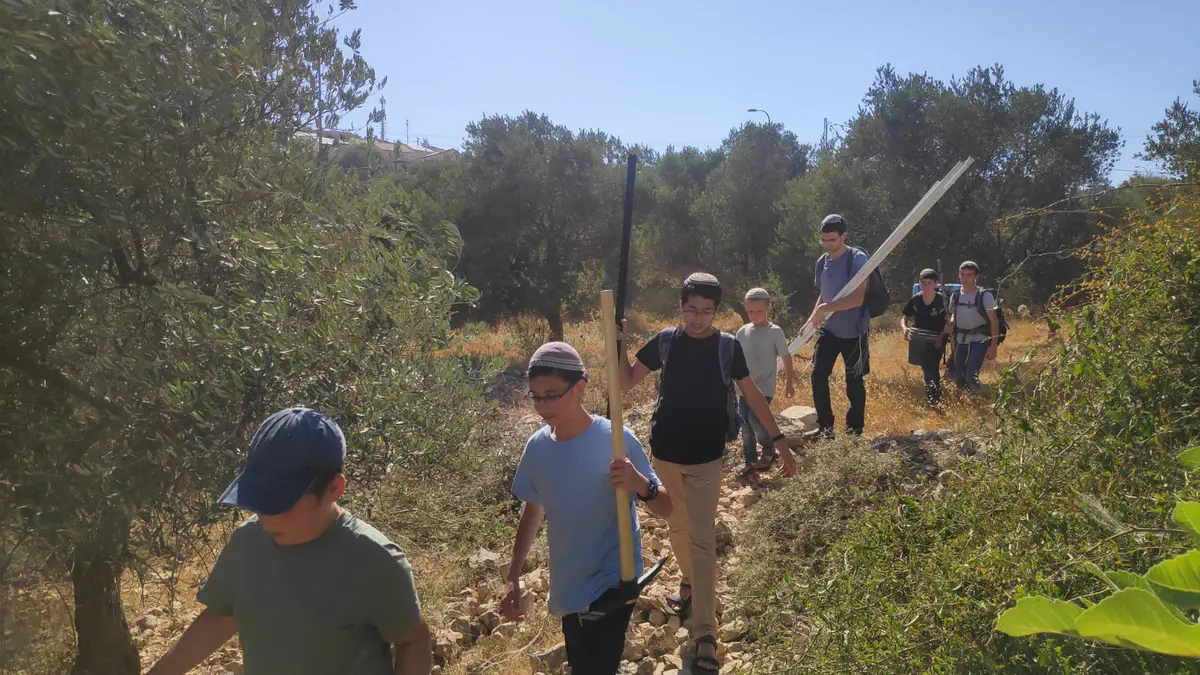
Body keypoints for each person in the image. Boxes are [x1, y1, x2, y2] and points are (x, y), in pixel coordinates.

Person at [147, 407, 432, 675]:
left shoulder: (375, 560)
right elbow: (220, 619)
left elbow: (413, 640)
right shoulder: (247, 543)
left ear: (334, 488)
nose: (267, 520)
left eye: (282, 504)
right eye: (259, 501)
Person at [618, 272, 796, 675]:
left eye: (707, 312)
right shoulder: (666, 341)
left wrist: (780, 440)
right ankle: (689, 582)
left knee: (701, 538)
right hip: (665, 455)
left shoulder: (727, 347)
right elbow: (626, 381)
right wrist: (620, 342)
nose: (698, 319)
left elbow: (752, 395)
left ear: (716, 312)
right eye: (692, 310)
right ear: (680, 307)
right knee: (676, 525)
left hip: (706, 459)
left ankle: (705, 635)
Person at [500, 342, 673, 675]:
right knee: (581, 661)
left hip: (614, 579)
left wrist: (640, 483)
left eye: (552, 395)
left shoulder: (615, 439)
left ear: (579, 387)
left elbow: (666, 507)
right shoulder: (537, 448)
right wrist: (513, 576)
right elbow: (533, 510)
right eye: (536, 397)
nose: (542, 406)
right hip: (570, 582)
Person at [805, 214, 871, 438]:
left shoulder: (857, 258)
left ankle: (854, 431)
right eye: (823, 240)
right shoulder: (822, 261)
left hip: (854, 333)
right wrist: (812, 318)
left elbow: (857, 298)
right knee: (818, 375)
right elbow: (824, 295)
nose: (827, 245)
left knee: (854, 381)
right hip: (829, 331)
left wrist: (826, 307)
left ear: (844, 236)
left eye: (832, 240)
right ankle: (825, 428)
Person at [734, 287, 795, 477]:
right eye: (750, 311)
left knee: (755, 418)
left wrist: (789, 383)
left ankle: (769, 450)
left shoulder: (774, 331)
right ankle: (749, 459)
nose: (754, 315)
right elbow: (734, 358)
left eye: (759, 311)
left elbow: (786, 357)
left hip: (764, 387)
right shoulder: (742, 331)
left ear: (769, 308)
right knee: (745, 424)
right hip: (743, 388)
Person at [944, 260, 1000, 392]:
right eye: (962, 274)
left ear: (976, 277)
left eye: (969, 275)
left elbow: (994, 321)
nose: (965, 278)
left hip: (979, 340)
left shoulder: (985, 295)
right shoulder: (955, 296)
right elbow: (953, 315)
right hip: (961, 339)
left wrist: (993, 346)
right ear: (958, 275)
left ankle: (981, 397)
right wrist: (950, 324)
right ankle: (967, 401)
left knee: (971, 375)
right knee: (959, 377)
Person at [901, 269, 949, 406]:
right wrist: (905, 328)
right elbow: (904, 317)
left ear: (935, 283)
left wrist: (942, 336)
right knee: (926, 367)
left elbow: (949, 320)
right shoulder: (916, 299)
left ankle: (934, 397)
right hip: (920, 338)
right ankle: (934, 394)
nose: (926, 286)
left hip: (937, 338)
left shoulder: (942, 300)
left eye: (929, 283)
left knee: (931, 365)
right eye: (923, 283)